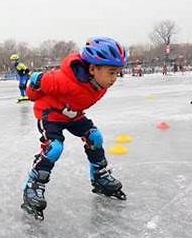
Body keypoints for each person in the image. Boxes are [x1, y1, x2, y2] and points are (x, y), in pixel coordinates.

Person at [21, 37, 127, 220]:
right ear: (93, 69)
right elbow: (37, 81)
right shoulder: (63, 80)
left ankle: (99, 176)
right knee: (54, 147)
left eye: (117, 73)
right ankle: (33, 185)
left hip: (73, 114)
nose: (114, 79)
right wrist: (31, 93)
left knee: (95, 138)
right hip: (50, 114)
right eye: (111, 72)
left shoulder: (101, 85)